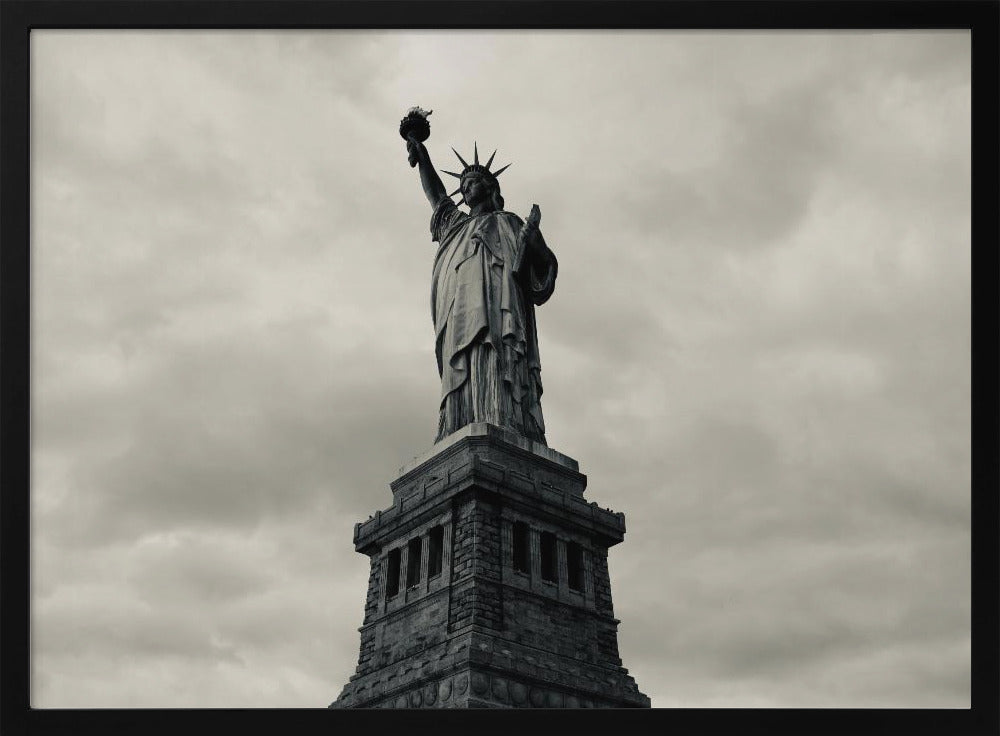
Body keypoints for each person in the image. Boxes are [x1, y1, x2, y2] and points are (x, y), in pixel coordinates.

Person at [405, 137, 557, 444]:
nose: (465, 190)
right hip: (460, 316)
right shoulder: (455, 227)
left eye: (471, 183)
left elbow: (541, 271)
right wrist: (423, 159)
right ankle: (459, 421)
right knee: (465, 363)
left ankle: (504, 417)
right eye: (462, 187)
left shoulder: (510, 224)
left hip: (501, 313)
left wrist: (536, 244)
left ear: (489, 187)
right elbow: (438, 198)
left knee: (495, 358)